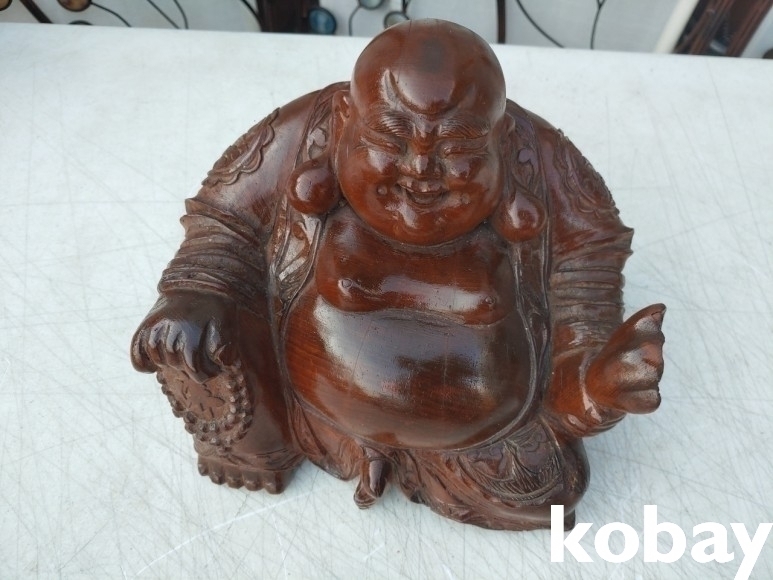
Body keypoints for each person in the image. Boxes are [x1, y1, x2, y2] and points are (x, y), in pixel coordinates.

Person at [131, 19, 664, 530]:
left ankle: (438, 460)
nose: (420, 170)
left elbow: (586, 264)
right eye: (391, 139)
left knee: (551, 491)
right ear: (347, 115)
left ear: (499, 138)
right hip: (304, 409)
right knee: (201, 338)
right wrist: (192, 294)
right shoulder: (303, 132)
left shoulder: (545, 160)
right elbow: (225, 221)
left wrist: (595, 378)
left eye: (457, 149)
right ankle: (271, 446)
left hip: (485, 438)